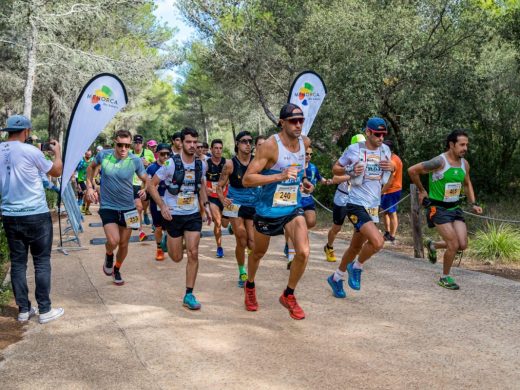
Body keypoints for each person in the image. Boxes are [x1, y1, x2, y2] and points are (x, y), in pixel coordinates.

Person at [242, 103, 313, 320]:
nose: (298, 124)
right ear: (282, 122)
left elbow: (299, 171)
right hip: (268, 209)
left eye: (301, 120)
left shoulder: (305, 143)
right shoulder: (270, 147)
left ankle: (289, 294)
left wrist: (305, 182)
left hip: (292, 207)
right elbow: (247, 179)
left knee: (303, 251)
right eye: (293, 121)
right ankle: (250, 285)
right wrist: (279, 176)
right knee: (258, 253)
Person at [0, 115, 64, 324]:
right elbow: (56, 170)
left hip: (10, 214)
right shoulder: (31, 151)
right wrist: (57, 152)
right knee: (41, 262)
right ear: (26, 131)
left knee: (18, 263)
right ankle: (45, 310)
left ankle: (24, 310)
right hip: (36, 214)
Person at [327, 117, 394, 299]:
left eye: (383, 134)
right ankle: (356, 267)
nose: (381, 138)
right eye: (377, 134)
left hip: (373, 206)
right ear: (368, 132)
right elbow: (335, 169)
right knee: (378, 242)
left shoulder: (386, 150)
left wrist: (393, 167)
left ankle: (336, 277)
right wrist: (350, 171)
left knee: (355, 247)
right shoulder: (353, 149)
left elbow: (389, 176)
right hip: (355, 204)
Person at [408, 129, 482, 290]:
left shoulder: (465, 164)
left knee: (462, 244)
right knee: (453, 244)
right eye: (462, 145)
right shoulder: (439, 162)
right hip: (438, 208)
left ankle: (433, 244)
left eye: (466, 145)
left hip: (455, 208)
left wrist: (474, 203)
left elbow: (467, 183)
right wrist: (422, 190)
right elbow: (412, 171)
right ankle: (444, 277)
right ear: (451, 144)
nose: (465, 148)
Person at [147, 127, 213, 310]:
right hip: (173, 214)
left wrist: (206, 206)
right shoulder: (170, 164)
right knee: (176, 257)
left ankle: (189, 294)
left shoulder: (201, 164)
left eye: (195, 142)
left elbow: (201, 187)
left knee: (193, 252)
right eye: (188, 142)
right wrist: (162, 206)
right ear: (181, 143)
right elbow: (151, 185)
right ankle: (169, 241)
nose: (192, 146)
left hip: (192, 214)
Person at [86, 129, 148, 286]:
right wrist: (90, 187)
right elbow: (91, 168)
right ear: (115, 143)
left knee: (124, 244)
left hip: (129, 208)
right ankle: (108, 254)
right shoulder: (104, 155)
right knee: (113, 241)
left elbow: (145, 178)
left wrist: (144, 188)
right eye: (120, 145)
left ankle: (117, 269)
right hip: (108, 206)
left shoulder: (135, 160)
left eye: (127, 146)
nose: (123, 149)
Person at [217, 131, 258, 288]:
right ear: (237, 144)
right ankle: (242, 271)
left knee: (252, 243)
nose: (248, 144)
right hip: (235, 203)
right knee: (241, 237)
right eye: (244, 141)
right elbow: (219, 186)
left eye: (250, 141)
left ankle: (250, 270)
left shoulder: (256, 162)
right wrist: (222, 199)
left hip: (253, 203)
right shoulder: (230, 164)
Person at [285, 145, 331, 268]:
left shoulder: (313, 168)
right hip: (294, 200)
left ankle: (295, 236)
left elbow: (319, 180)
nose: (308, 156)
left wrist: (328, 182)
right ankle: (291, 257)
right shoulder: (293, 165)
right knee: (295, 228)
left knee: (311, 222)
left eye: (311, 154)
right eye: (306, 154)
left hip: (308, 200)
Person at [323, 134, 365, 262]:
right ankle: (329, 247)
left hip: (356, 199)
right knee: (337, 227)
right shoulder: (345, 162)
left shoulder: (365, 162)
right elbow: (335, 178)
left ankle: (355, 251)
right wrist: (351, 175)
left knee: (360, 228)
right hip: (342, 198)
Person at [146, 143, 171, 261]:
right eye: (162, 154)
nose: (165, 156)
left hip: (171, 200)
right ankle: (159, 249)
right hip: (156, 201)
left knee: (171, 226)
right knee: (158, 227)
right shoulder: (151, 168)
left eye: (167, 154)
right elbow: (148, 184)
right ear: (157, 154)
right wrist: (145, 190)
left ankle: (168, 241)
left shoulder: (173, 166)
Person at [206, 139, 230, 258]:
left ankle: (230, 226)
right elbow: (201, 180)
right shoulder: (206, 163)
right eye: (216, 148)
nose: (218, 150)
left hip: (225, 197)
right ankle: (219, 247)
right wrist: (206, 188)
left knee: (225, 224)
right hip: (213, 197)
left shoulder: (227, 163)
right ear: (211, 149)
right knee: (218, 222)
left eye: (220, 148)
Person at [132, 134, 155, 240]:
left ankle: (146, 212)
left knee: (144, 205)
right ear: (133, 144)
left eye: (139, 143)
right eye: (135, 142)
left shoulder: (148, 153)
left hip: (145, 183)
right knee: (138, 207)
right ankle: (141, 232)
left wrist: (148, 163)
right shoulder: (129, 154)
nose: (137, 145)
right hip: (133, 184)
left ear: (142, 143)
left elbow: (155, 165)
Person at [381, 140, 403, 243]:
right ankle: (387, 232)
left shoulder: (393, 160)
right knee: (385, 211)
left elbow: (389, 182)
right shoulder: (388, 158)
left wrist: (380, 192)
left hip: (393, 190)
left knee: (392, 212)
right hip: (386, 190)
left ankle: (392, 236)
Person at [76, 150, 93, 215]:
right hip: (81, 179)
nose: (88, 156)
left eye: (89, 155)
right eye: (87, 155)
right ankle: (83, 206)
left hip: (89, 179)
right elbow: (77, 169)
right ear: (85, 154)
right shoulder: (81, 160)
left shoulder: (92, 160)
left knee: (90, 195)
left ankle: (87, 209)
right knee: (86, 193)